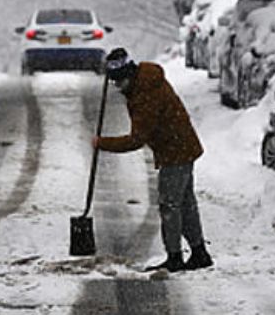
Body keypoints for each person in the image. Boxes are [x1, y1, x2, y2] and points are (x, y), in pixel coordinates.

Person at [91, 47, 214, 272]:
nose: (118, 88)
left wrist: (103, 143)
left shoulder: (145, 94)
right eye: (114, 83)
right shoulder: (144, 82)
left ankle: (175, 257)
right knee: (185, 204)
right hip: (181, 146)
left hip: (175, 150)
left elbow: (136, 139)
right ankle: (199, 253)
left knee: (170, 205)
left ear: (128, 76)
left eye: (119, 82)